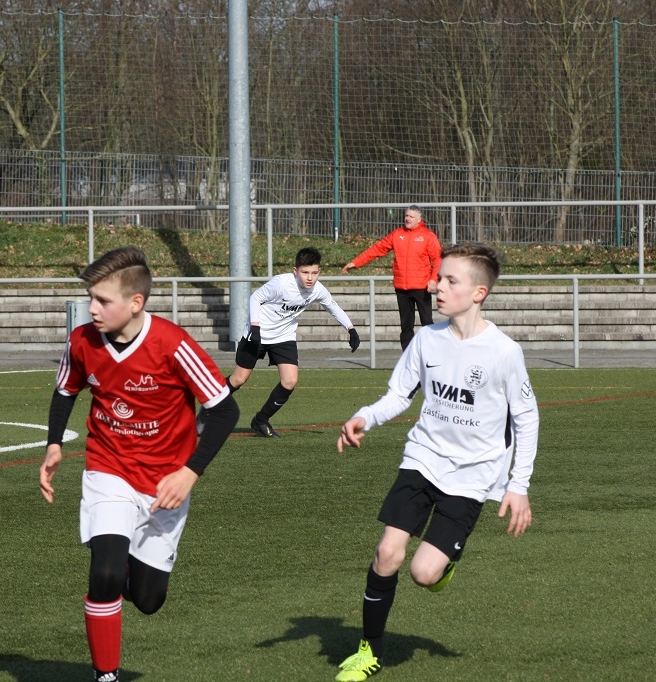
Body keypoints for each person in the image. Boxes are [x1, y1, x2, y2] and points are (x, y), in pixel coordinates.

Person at [333, 243, 539, 682]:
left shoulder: (504, 352)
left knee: (424, 574)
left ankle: (443, 565)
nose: (436, 286)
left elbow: (526, 417)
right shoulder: (427, 339)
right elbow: (398, 394)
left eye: (449, 280)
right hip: (423, 459)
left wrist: (517, 485)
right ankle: (369, 650)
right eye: (438, 277)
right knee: (387, 553)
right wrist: (365, 417)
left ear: (479, 293)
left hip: (472, 477)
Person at [39, 247, 240, 682]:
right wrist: (54, 444)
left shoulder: (173, 344)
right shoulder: (81, 341)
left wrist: (189, 472)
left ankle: (131, 567)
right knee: (105, 572)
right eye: (91, 299)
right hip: (108, 468)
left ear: (136, 302)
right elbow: (66, 390)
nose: (92, 309)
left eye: (103, 300)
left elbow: (225, 410)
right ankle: (105, 676)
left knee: (149, 600)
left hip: (165, 484)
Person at [220, 246, 360, 439]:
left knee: (290, 381)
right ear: (295, 271)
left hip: (283, 336)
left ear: (319, 272)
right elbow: (255, 297)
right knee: (238, 379)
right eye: (305, 272)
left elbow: (332, 306)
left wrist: (351, 329)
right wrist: (255, 326)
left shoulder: (318, 289)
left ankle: (261, 420)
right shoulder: (281, 283)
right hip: (258, 332)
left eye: (314, 273)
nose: (309, 278)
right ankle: (208, 409)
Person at [342, 205, 442, 350]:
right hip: (402, 288)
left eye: (411, 216)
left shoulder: (428, 236)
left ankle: (432, 354)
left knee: (427, 323)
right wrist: (356, 262)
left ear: (419, 220)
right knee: (406, 326)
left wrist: (433, 279)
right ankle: (407, 357)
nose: (407, 218)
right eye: (406, 215)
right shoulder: (397, 234)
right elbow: (378, 248)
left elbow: (438, 259)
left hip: (421, 287)